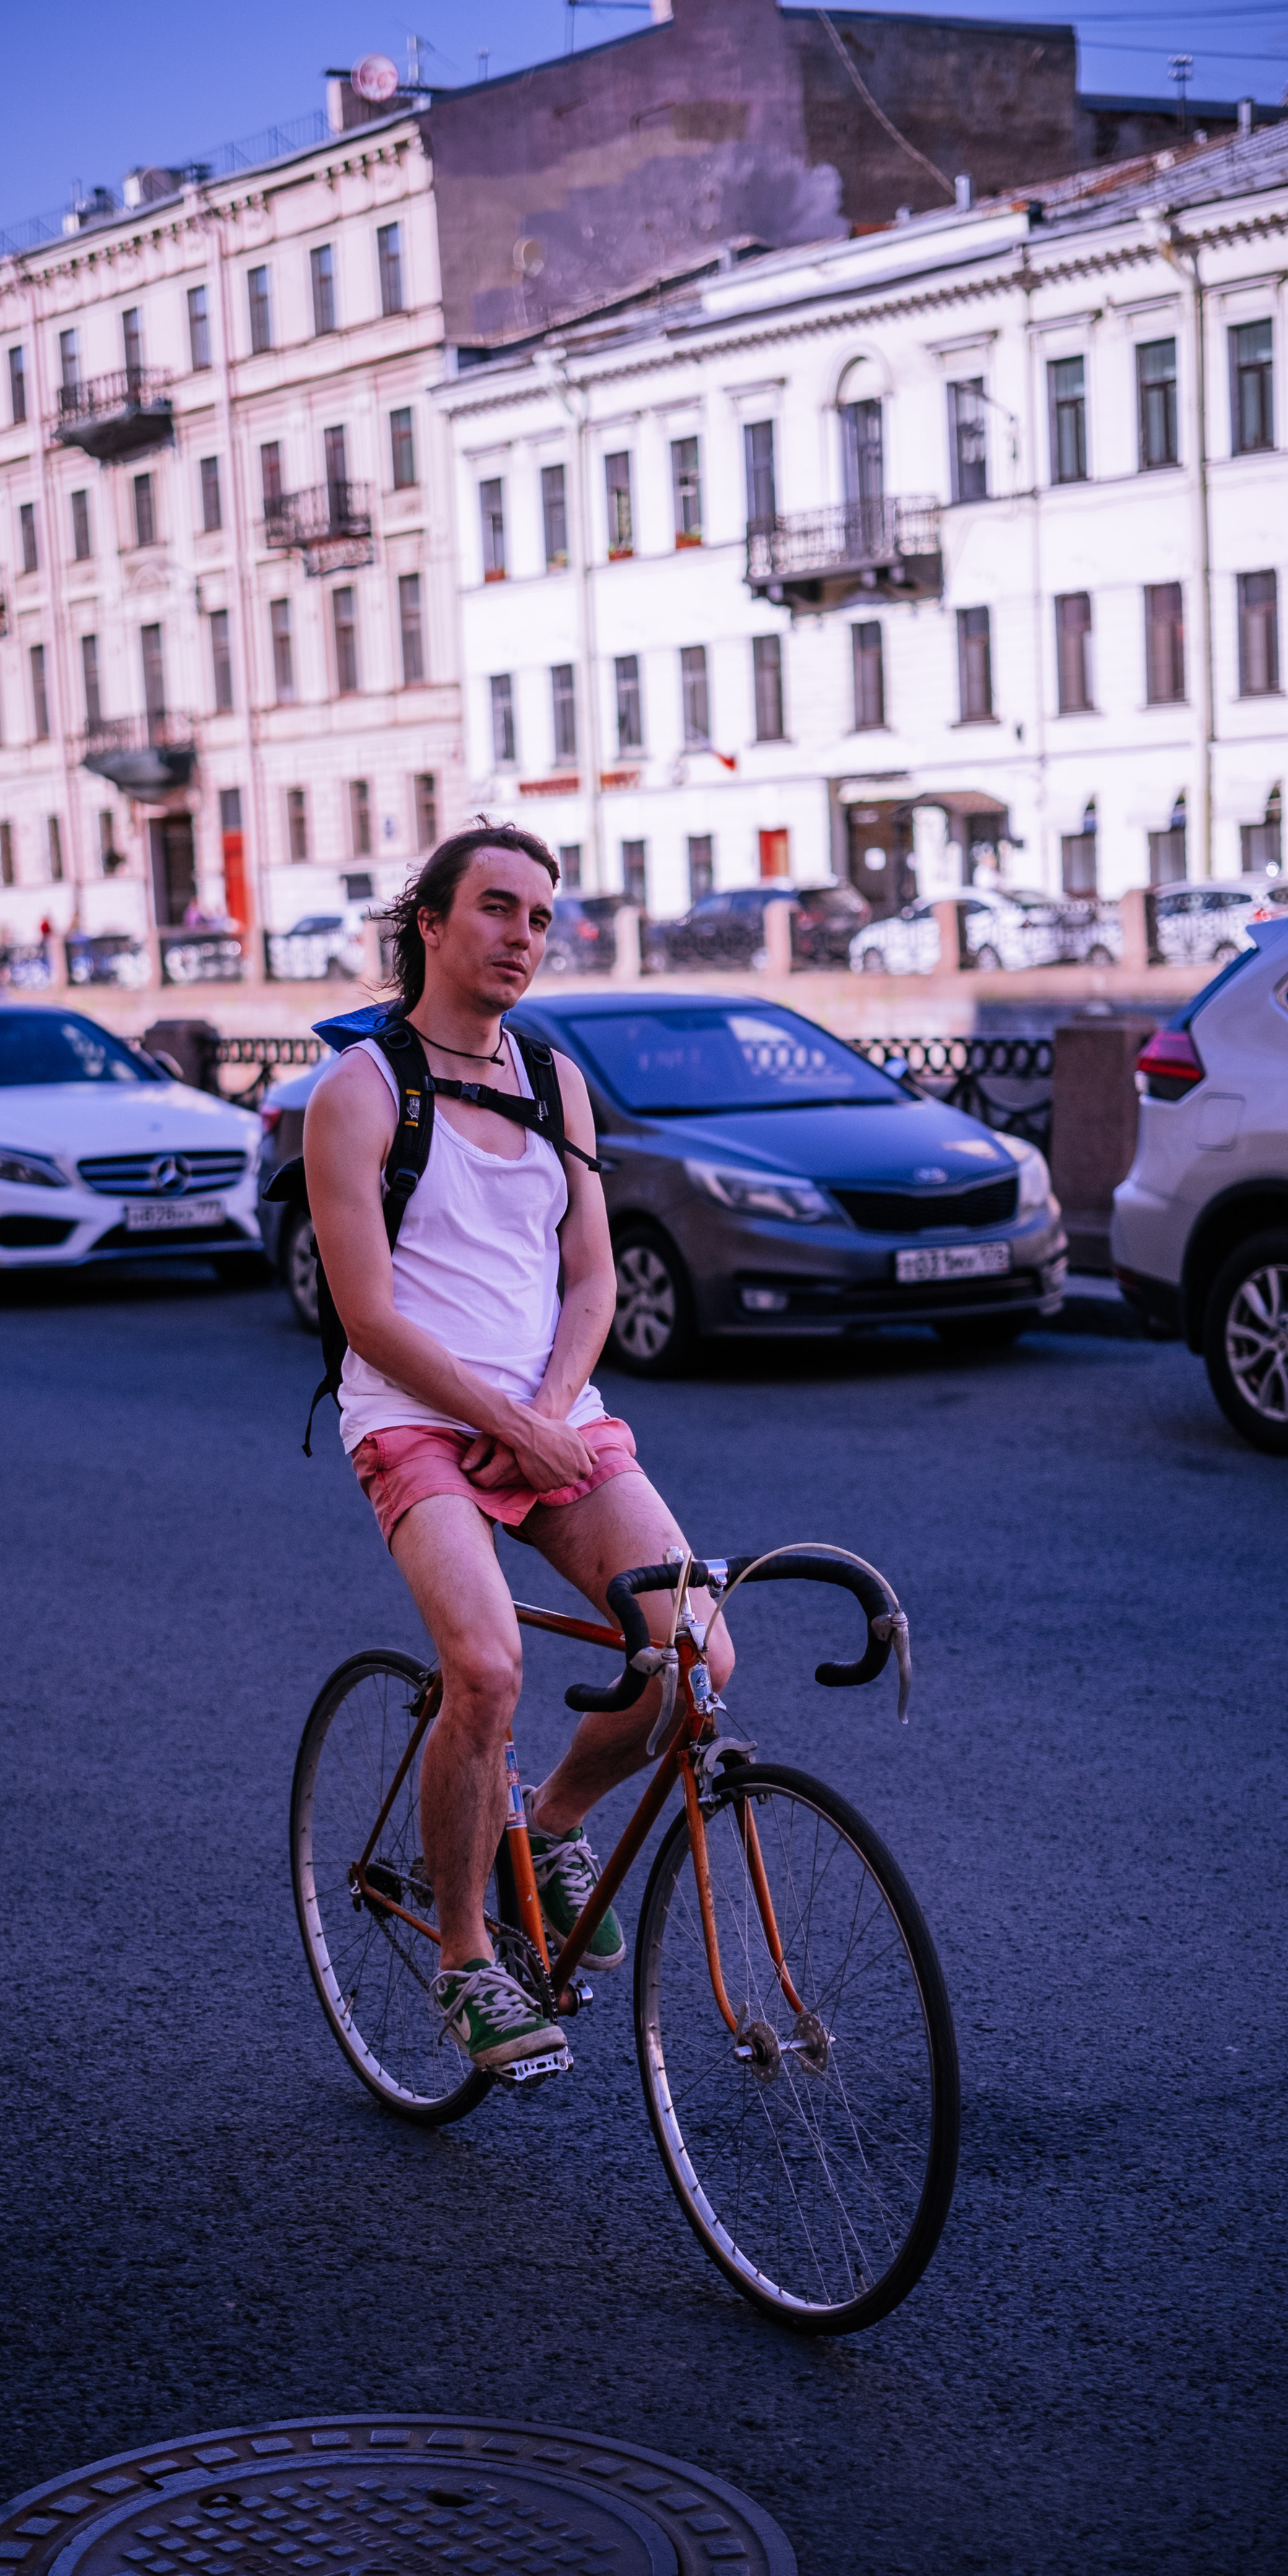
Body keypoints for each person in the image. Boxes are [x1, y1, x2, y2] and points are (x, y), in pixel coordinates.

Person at [303, 824, 733, 2076]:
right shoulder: (358, 1092)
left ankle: (545, 1825)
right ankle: (463, 1963)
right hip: (415, 1418)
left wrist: (546, 1413)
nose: (524, 937)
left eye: (542, 918)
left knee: (697, 1656)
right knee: (487, 1672)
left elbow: (592, 1279)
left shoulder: (555, 1081)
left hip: (554, 1408)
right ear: (431, 924)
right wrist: (503, 1425)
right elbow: (368, 1316)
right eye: (498, 908)